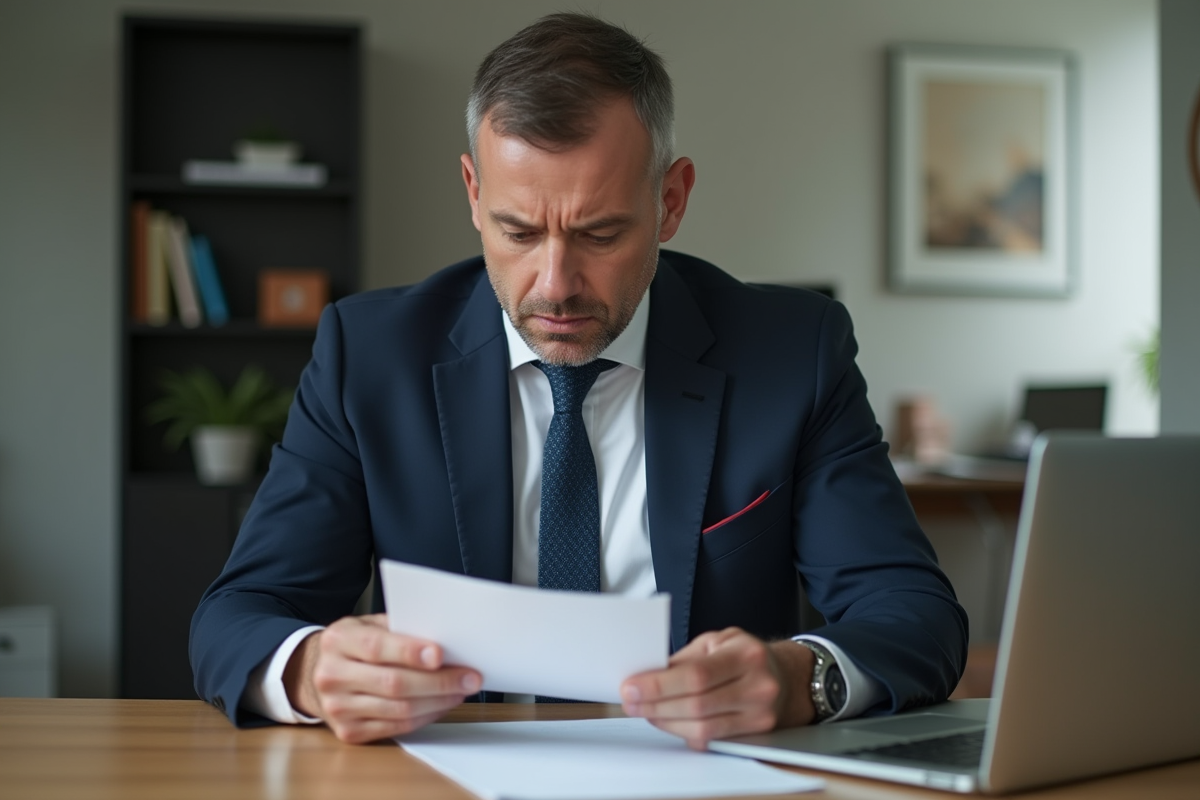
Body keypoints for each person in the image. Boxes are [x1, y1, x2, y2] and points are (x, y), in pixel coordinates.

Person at [191, 12, 967, 749]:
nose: (554, 284)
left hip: (706, 778)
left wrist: (803, 679)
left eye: (599, 233)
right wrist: (310, 669)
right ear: (472, 193)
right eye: (518, 231)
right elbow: (239, 615)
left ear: (670, 201)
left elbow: (913, 614)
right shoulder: (370, 355)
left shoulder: (794, 352)